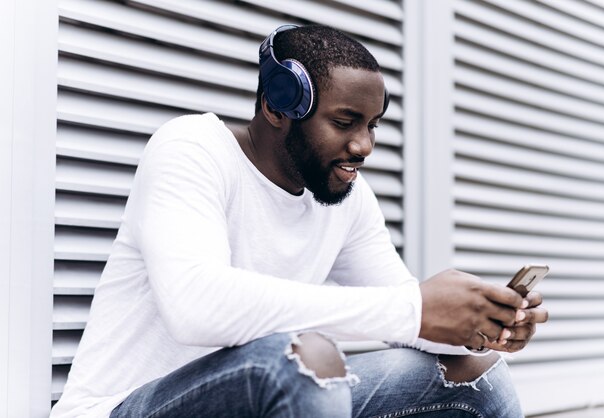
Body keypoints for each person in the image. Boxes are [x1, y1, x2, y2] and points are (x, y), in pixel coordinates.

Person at [51, 24, 548, 418]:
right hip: (126, 408)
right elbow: (195, 307)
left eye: (372, 126)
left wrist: (480, 323)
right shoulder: (192, 149)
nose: (365, 146)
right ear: (278, 105)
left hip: (269, 397)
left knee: (476, 372)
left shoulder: (348, 198)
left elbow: (405, 317)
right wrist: (412, 308)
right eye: (345, 121)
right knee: (303, 360)